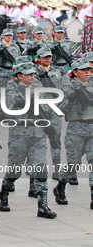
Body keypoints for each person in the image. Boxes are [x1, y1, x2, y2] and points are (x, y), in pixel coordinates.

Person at [0, 61, 57, 219]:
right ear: (19, 76)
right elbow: (5, 114)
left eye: (33, 74)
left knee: (40, 169)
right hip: (20, 134)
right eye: (28, 74)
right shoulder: (11, 89)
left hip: (38, 134)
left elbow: (47, 106)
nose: (32, 76)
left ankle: (42, 206)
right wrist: (20, 104)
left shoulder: (38, 86)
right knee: (14, 170)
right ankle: (3, 193)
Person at [53, 59, 93, 209]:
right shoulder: (67, 87)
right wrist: (71, 97)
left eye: (89, 69)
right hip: (75, 130)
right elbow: (59, 111)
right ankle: (61, 186)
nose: (87, 72)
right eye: (83, 70)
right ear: (75, 72)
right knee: (73, 164)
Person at [34, 47, 62, 181]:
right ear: (38, 58)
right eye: (44, 57)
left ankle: (57, 169)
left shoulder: (56, 72)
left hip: (54, 111)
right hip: (40, 112)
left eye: (49, 56)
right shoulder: (34, 73)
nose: (47, 58)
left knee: (56, 140)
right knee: (37, 141)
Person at [0, 28, 21, 98]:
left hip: (13, 71)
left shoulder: (16, 46)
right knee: (1, 93)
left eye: (10, 35)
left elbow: (19, 58)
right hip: (2, 72)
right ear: (3, 36)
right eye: (7, 35)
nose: (9, 37)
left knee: (13, 91)